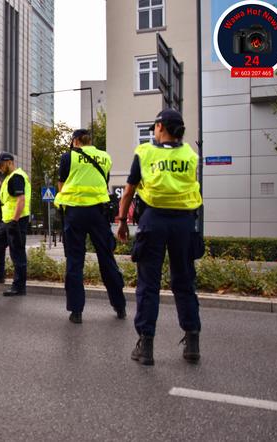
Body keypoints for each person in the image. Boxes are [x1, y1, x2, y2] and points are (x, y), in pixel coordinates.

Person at [117, 109, 203, 366]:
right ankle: (192, 342)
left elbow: (129, 191)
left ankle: (146, 347)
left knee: (148, 284)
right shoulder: (190, 155)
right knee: (185, 282)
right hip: (184, 223)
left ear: (160, 126)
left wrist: (122, 221)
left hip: (153, 221)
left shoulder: (145, 153)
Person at [54, 129, 126, 324]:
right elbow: (104, 181)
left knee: (75, 261)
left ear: (75, 141)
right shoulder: (104, 157)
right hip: (98, 213)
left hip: (75, 213)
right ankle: (120, 305)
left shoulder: (69, 157)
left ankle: (76, 311)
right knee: (107, 258)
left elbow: (61, 185)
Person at [0, 152, 31, 296]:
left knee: (17, 252)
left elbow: (21, 200)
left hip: (16, 221)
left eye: (1, 164)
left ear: (9, 162)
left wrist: (14, 220)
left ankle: (19, 286)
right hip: (7, 221)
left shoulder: (16, 177)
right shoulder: (9, 178)